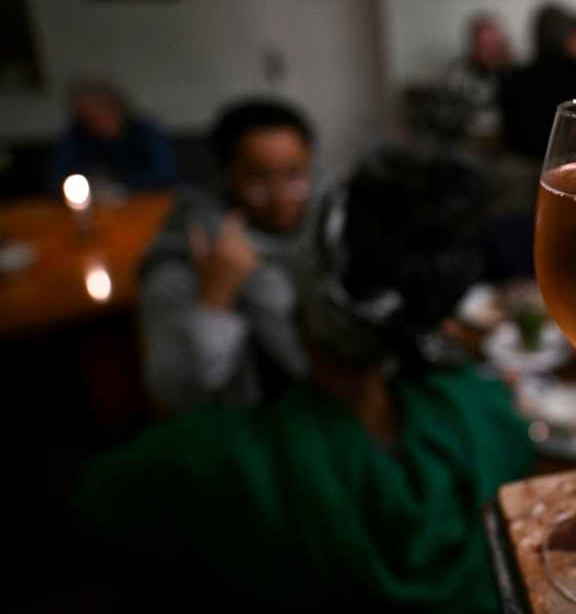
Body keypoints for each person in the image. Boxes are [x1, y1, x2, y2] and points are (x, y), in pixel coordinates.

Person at [72, 148, 534, 612]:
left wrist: (212, 304)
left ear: (304, 300)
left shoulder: (228, 462)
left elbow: (96, 501)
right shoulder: (482, 412)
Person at [139, 99, 315, 414]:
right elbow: (175, 394)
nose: (280, 198)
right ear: (227, 175)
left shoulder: (325, 224)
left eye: (294, 176)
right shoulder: (183, 256)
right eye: (258, 180)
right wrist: (215, 299)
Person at [501, 3, 576, 161]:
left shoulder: (515, 78)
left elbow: (510, 133)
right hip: (567, 163)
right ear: (565, 36)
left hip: (522, 163)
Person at [50, 79, 177, 191]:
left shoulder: (145, 131)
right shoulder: (76, 137)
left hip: (148, 202)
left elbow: (165, 174)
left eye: (101, 111)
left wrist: (121, 187)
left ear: (116, 107)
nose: (98, 122)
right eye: (89, 118)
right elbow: (57, 179)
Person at [443, 13, 512, 139]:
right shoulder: (458, 72)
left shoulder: (512, 72)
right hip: (467, 140)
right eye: (484, 44)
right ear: (473, 45)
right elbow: (446, 115)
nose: (490, 49)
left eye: (494, 43)